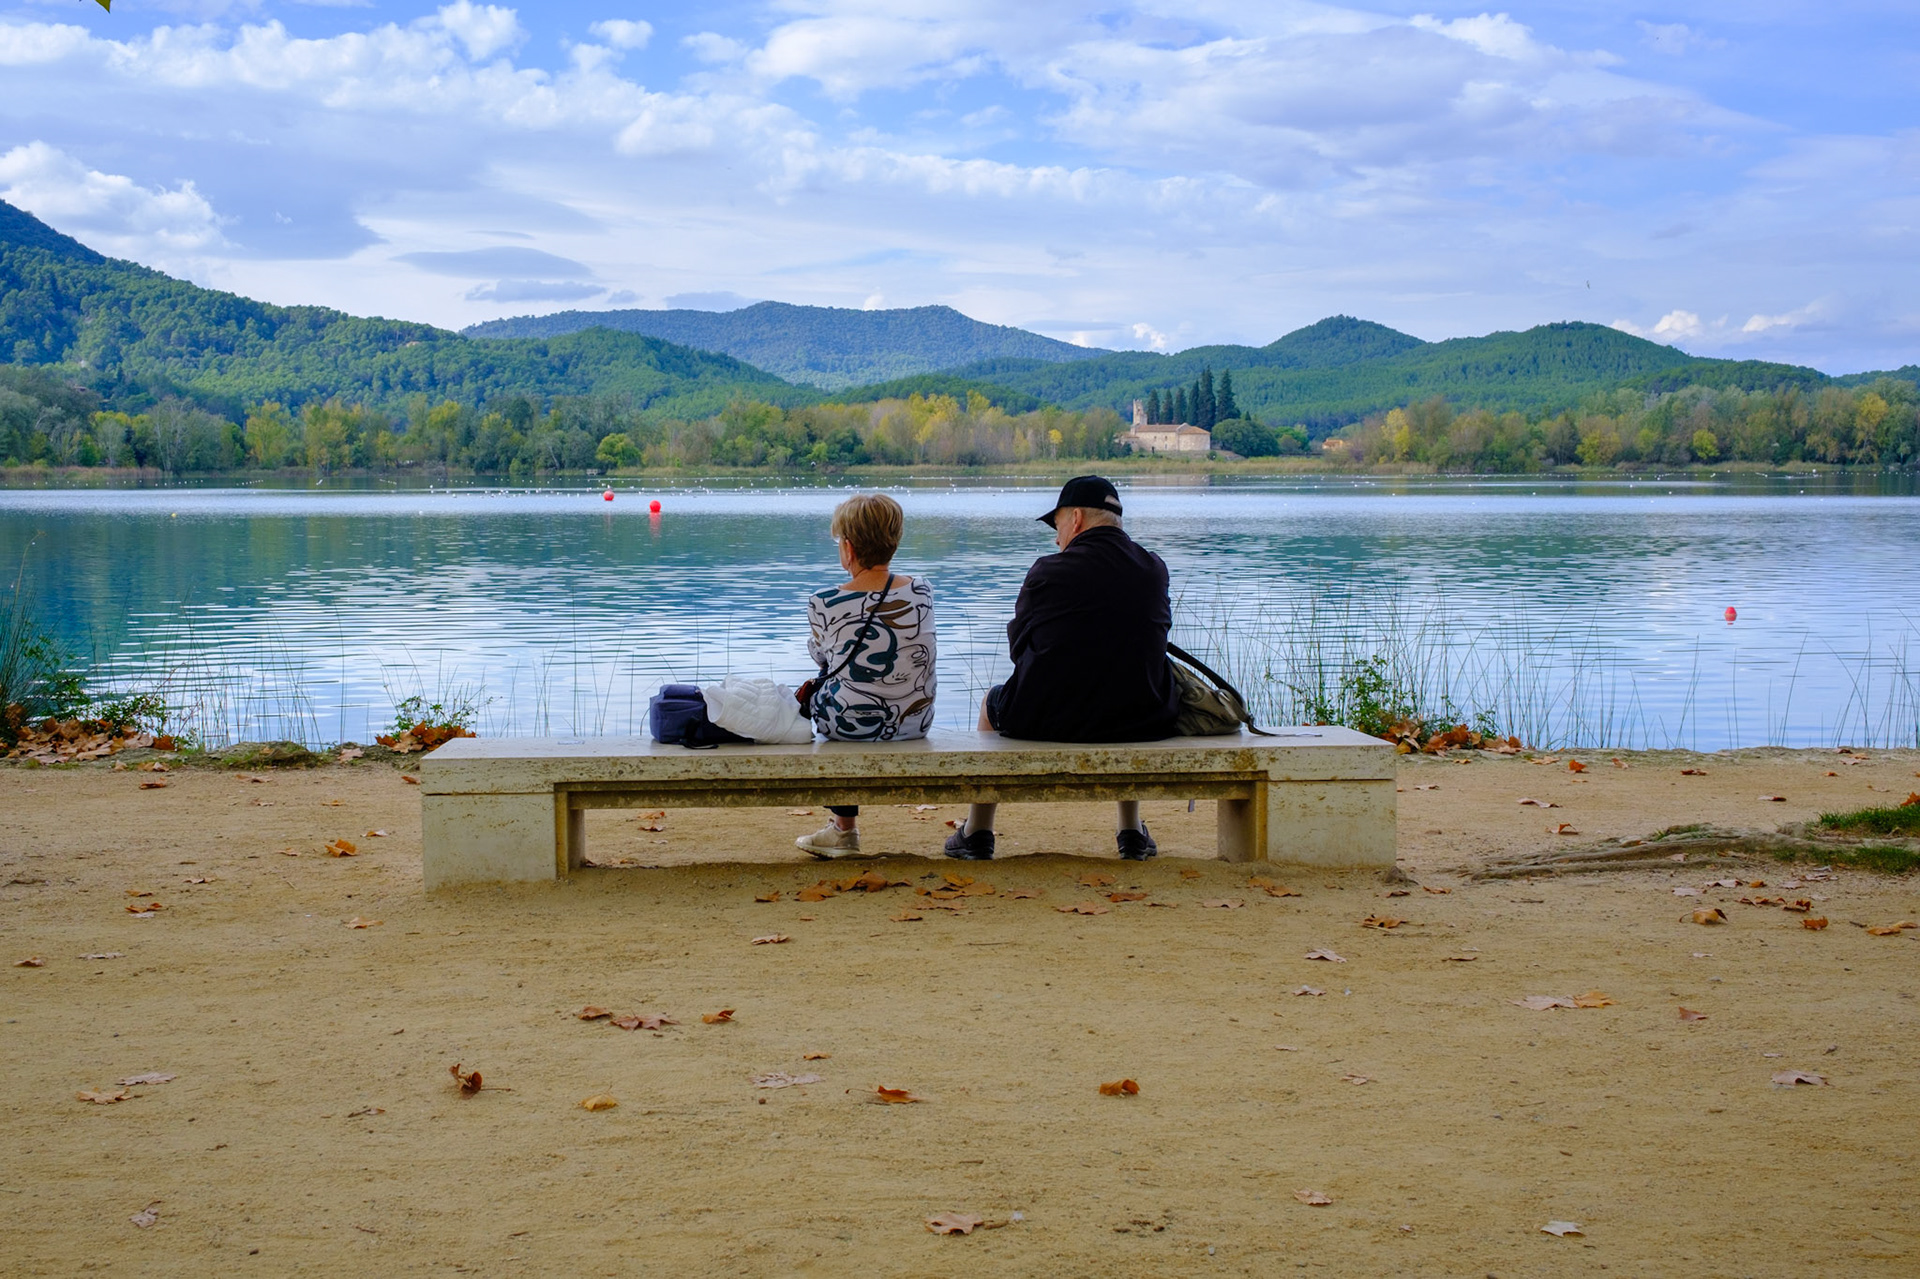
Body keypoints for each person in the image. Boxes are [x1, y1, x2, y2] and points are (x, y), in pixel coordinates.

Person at [945, 474, 1179, 862]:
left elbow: (1019, 650)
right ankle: (1132, 832)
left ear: (1075, 519)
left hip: (1048, 720)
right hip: (1145, 718)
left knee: (990, 703)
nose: (1056, 539)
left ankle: (977, 833)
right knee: (1130, 684)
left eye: (1056, 527)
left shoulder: (1048, 572)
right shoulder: (1154, 568)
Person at [794, 492, 937, 859]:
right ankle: (842, 831)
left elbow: (825, 658)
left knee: (835, 696)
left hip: (848, 726)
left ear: (849, 547)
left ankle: (843, 830)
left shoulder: (823, 601)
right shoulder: (922, 590)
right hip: (915, 719)